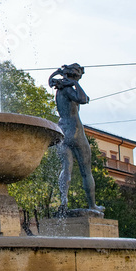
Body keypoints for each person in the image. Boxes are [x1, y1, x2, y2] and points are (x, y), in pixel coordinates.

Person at [48, 62, 102, 214]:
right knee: (86, 171)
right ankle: (92, 206)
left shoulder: (58, 89)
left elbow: (50, 80)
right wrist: (74, 84)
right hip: (75, 130)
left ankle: (63, 201)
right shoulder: (68, 89)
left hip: (62, 130)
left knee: (66, 168)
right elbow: (83, 99)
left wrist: (56, 74)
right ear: (76, 76)